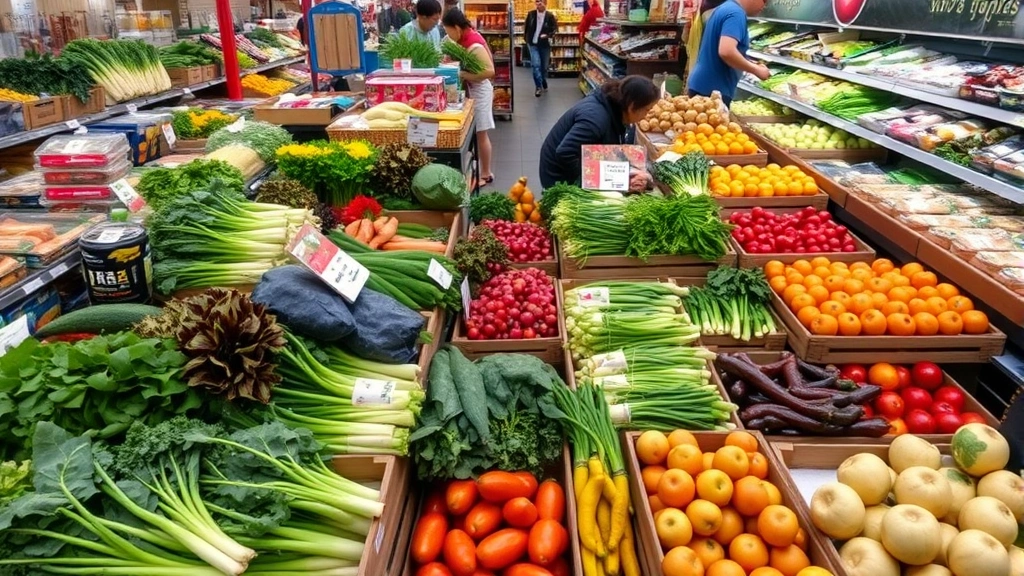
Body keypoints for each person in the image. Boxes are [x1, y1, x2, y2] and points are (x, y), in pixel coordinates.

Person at [539, 75, 659, 190]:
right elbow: (565, 153)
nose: (646, 115)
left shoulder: (613, 107)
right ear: (632, 106)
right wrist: (594, 177)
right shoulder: (595, 120)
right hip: (558, 177)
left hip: (575, 160)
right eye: (647, 110)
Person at [442, 8, 497, 185]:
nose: (448, 34)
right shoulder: (465, 39)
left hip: (481, 92)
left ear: (456, 27)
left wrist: (464, 75)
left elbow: (490, 71)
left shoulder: (474, 45)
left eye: (447, 30)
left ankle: (486, 173)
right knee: (476, 133)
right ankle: (479, 171)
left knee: (481, 133)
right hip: (474, 90)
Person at [686, 0, 770, 106]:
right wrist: (756, 70)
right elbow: (726, 51)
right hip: (713, 91)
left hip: (703, 84)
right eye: (765, 1)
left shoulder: (725, 8)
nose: (765, 6)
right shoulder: (736, 14)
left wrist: (751, 63)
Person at [684, 0, 726, 78]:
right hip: (709, 64)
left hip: (699, 57)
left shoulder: (703, 8)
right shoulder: (722, 11)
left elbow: (685, 37)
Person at [524, 0, 557, 97]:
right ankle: (538, 86)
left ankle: (543, 80)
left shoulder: (550, 16)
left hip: (544, 45)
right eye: (537, 1)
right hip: (533, 44)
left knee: (544, 67)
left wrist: (547, 35)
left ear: (545, 3)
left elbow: (555, 29)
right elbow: (526, 28)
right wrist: (526, 39)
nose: (539, 3)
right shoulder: (531, 14)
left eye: (541, 1)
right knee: (535, 65)